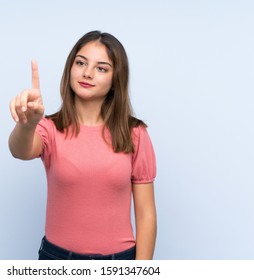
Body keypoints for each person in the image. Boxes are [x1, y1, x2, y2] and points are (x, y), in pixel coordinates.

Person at [9, 31, 157, 260]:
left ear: (115, 79)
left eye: (101, 68)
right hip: (57, 259)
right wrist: (27, 124)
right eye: (81, 63)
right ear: (70, 68)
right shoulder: (50, 128)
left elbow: (146, 214)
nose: (87, 73)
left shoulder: (134, 133)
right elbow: (19, 151)